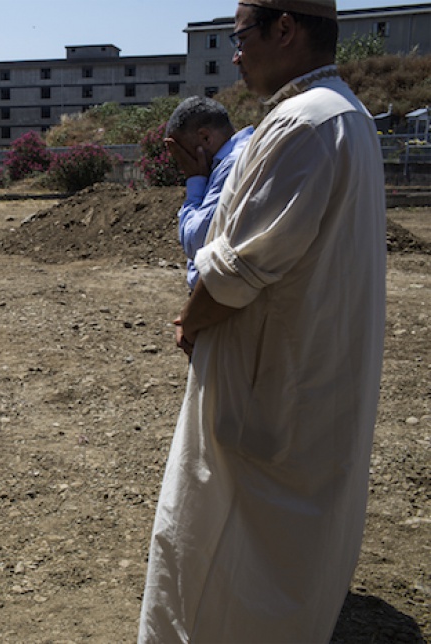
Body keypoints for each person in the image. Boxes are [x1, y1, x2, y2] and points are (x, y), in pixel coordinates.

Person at [138, 1, 386, 642]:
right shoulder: (344, 114)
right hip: (304, 375)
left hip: (265, 390)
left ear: (286, 27)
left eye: (242, 35)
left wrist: (189, 322)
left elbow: (236, 271)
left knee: (220, 567)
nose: (235, 52)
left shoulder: (303, 124)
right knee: (285, 560)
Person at [164, 96, 254, 291]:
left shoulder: (232, 164)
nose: (182, 161)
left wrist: (195, 179)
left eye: (182, 151)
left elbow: (196, 241)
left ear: (205, 137)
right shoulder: (242, 153)